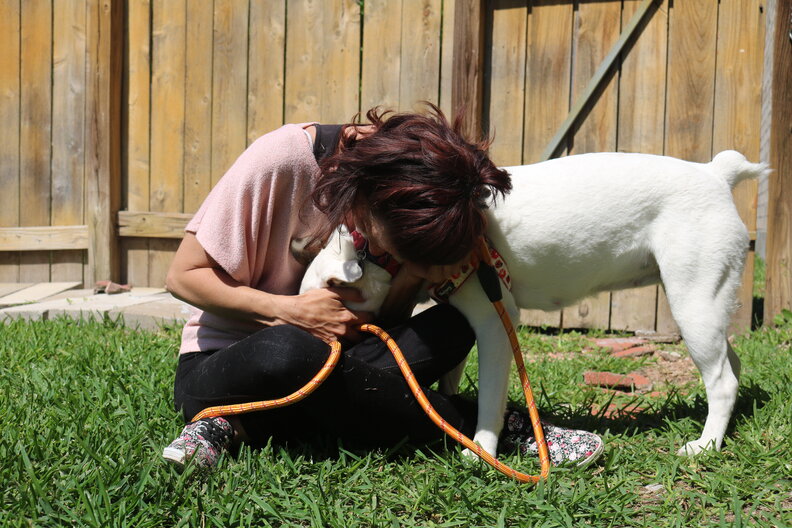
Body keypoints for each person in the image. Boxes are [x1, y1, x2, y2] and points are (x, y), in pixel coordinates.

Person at [161, 105, 604, 471]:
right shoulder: (281, 158)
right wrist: (290, 312)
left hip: (352, 361)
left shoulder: (421, 189)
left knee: (455, 326)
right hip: (232, 362)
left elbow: (388, 323)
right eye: (393, 250)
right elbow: (183, 276)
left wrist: (409, 279)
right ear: (365, 200)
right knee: (288, 351)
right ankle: (492, 428)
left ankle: (241, 426)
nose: (385, 255)